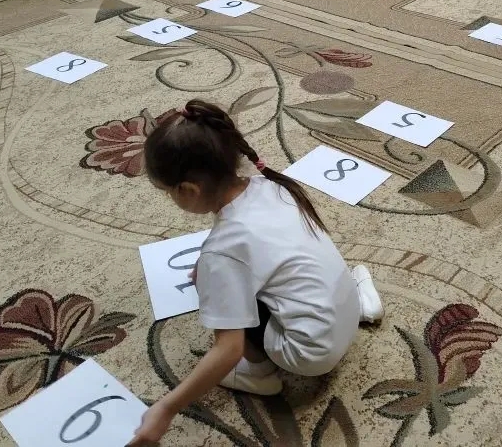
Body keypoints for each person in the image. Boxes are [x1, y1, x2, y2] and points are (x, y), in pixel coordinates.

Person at [126, 100, 384, 446]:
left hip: (310, 353)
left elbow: (228, 350)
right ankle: (363, 302)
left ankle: (260, 373)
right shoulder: (272, 185)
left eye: (168, 193)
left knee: (224, 293)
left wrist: (166, 408)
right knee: (271, 272)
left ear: (188, 190)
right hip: (343, 310)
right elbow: (259, 244)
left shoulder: (222, 252)